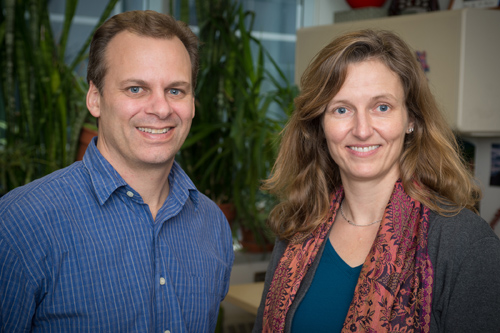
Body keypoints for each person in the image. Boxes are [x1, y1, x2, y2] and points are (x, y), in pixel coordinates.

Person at [0, 10, 234, 332]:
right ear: (95, 99)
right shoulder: (21, 224)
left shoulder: (213, 225)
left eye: (176, 90)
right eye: (136, 89)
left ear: (192, 103)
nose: (161, 108)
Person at [253, 29, 500, 332]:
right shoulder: (299, 226)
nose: (361, 129)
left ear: (411, 119)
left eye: (381, 107)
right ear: (320, 124)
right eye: (342, 109)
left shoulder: (465, 244)